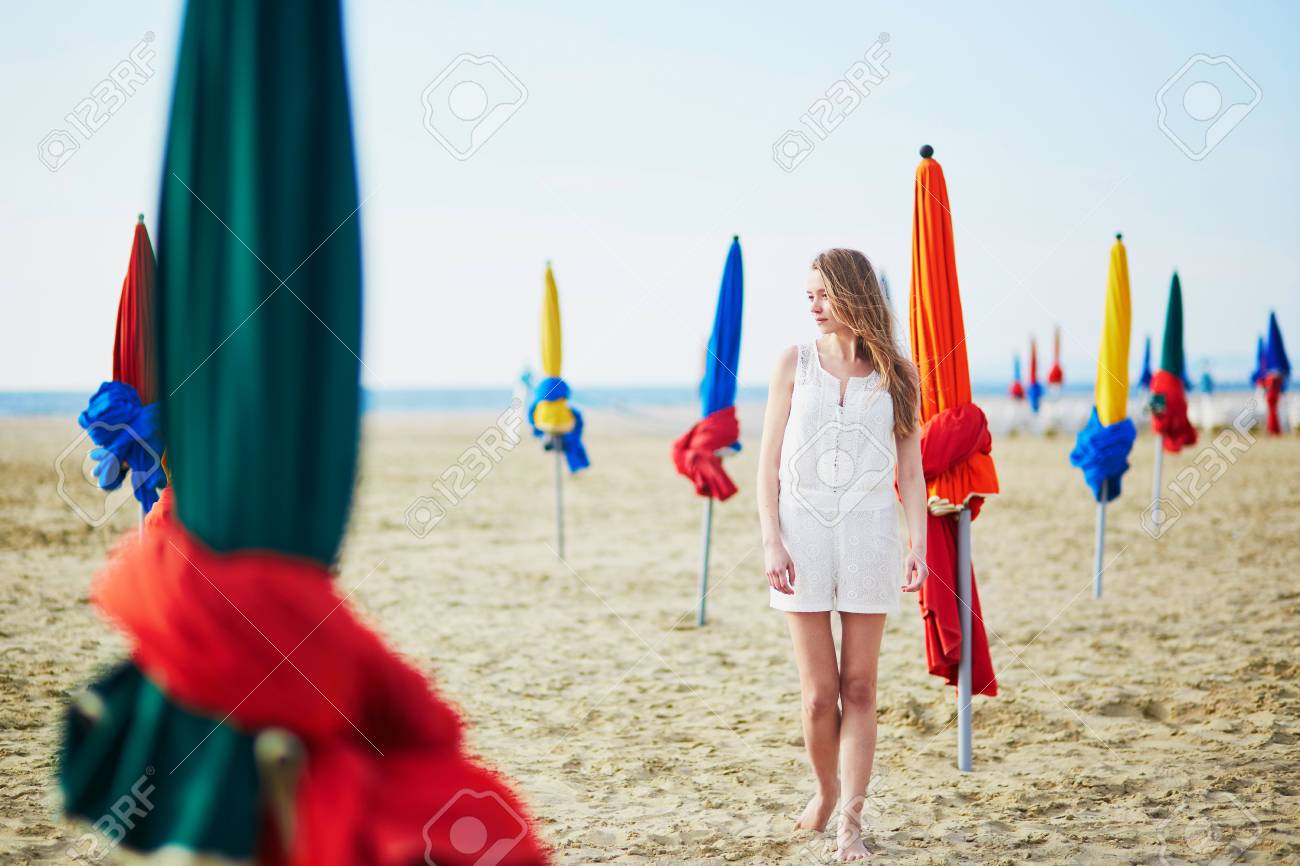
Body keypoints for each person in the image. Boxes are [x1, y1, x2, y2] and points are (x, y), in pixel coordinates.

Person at [756, 248, 929, 861]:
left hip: (870, 536)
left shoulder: (898, 375)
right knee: (816, 693)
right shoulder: (792, 364)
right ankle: (825, 792)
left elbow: (910, 468)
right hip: (800, 538)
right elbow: (768, 461)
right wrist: (771, 537)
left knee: (859, 687)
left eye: (824, 295)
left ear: (856, 295)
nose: (814, 306)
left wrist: (919, 544)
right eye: (809, 295)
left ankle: (850, 822)